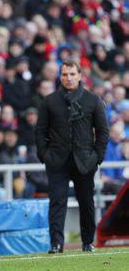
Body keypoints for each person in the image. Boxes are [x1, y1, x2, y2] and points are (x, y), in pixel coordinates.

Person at [35, 60, 109, 254]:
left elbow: (103, 131)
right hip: (57, 160)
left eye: (72, 74)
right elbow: (40, 131)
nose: (68, 78)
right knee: (57, 202)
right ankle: (56, 243)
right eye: (65, 74)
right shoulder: (49, 101)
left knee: (87, 202)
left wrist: (97, 158)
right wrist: (45, 155)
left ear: (80, 75)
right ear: (60, 76)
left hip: (85, 161)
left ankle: (87, 242)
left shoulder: (93, 100)